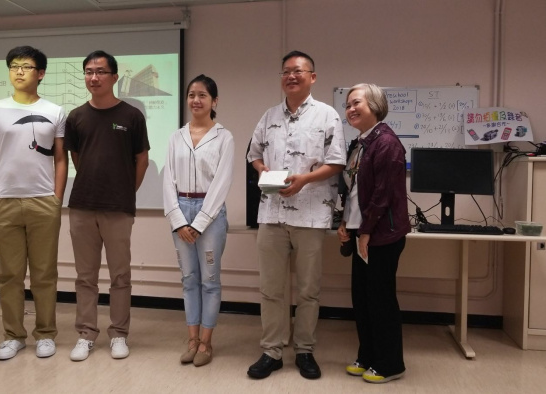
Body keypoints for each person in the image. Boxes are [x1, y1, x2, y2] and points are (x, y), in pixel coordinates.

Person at [246, 51, 346, 380]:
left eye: (298, 71)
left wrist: (304, 179)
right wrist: (265, 171)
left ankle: (304, 350)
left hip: (311, 216)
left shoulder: (327, 115)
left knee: (308, 290)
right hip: (272, 214)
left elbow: (336, 163)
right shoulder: (270, 115)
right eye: (286, 71)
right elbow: (254, 154)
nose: (291, 76)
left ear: (312, 77)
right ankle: (271, 351)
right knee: (271, 288)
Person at [0, 46, 67, 360]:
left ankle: (45, 334)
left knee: (44, 273)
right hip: (3, 202)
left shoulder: (55, 111)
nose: (19, 71)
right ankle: (13, 336)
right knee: (9, 275)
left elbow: (61, 159)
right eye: (14, 66)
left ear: (40, 73)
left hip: (43, 202)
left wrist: (56, 199)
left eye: (26, 66)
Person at [64, 50, 150, 361]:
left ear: (114, 77)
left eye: (100, 71)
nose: (94, 77)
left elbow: (142, 159)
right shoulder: (75, 117)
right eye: (88, 71)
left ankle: (119, 334)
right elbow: (77, 159)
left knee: (120, 276)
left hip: (118, 208)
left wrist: (126, 190)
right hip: (82, 206)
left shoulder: (131, 116)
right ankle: (86, 334)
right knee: (85, 276)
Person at [337, 83, 410, 383]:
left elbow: (383, 195)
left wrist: (365, 231)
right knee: (362, 299)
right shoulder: (360, 143)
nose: (350, 109)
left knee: (380, 300)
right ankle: (367, 356)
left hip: (381, 236)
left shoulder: (387, 143)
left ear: (376, 106)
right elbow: (352, 190)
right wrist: (345, 223)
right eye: (348, 105)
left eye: (357, 103)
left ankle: (391, 365)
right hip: (361, 232)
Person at [163, 74, 234, 367]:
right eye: (192, 95)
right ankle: (191, 340)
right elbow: (167, 180)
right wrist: (179, 221)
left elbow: (222, 182)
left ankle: (206, 343)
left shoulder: (224, 137)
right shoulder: (175, 136)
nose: (196, 100)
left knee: (210, 281)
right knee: (189, 280)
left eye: (203, 95)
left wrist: (199, 222)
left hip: (211, 213)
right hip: (181, 208)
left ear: (214, 101)